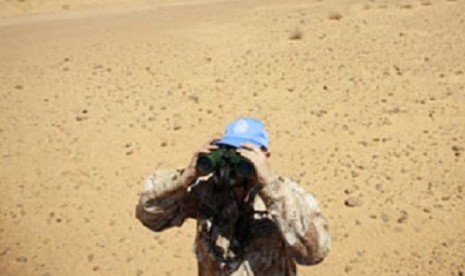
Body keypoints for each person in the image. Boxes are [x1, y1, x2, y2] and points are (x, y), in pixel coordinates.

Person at [136, 117, 331, 275]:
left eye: (244, 153)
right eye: (227, 151)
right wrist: (185, 178)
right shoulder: (207, 193)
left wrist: (269, 186)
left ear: (264, 156)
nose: (233, 162)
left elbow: (314, 253)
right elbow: (150, 216)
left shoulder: (286, 196)